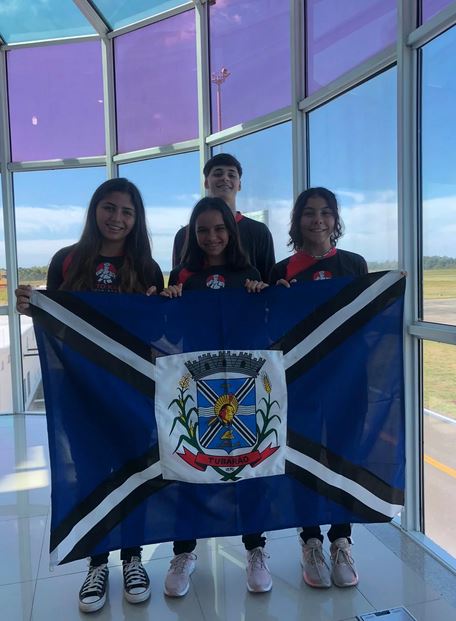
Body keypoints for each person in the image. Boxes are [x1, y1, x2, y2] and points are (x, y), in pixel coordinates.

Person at [15, 178, 164, 613]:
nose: (117, 218)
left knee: (137, 470)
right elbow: (54, 324)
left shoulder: (147, 267)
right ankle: (96, 563)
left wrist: (159, 305)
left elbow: (157, 332)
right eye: (109, 207)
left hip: (132, 387)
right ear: (95, 210)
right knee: (89, 470)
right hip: (79, 386)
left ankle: (133, 558)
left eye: (127, 212)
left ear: (137, 220)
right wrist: (31, 305)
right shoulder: (66, 260)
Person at [161, 196, 272, 597]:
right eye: (203, 230)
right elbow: (170, 336)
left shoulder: (248, 272)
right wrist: (170, 301)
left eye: (219, 228)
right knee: (190, 465)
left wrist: (262, 294)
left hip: (243, 387)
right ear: (192, 234)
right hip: (197, 387)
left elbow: (265, 328)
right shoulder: (182, 275)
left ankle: (255, 548)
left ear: (231, 231)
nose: (212, 237)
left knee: (249, 466)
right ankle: (184, 552)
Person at [270, 187, 368, 590]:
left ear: (335, 219)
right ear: (297, 221)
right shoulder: (282, 270)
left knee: (344, 458)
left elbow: (366, 319)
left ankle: (341, 540)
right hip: (302, 383)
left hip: (348, 379)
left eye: (326, 213)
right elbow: (271, 330)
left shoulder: (354, 264)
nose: (318, 220)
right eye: (309, 213)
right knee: (302, 458)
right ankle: (310, 540)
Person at [172, 153, 275, 282]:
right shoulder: (184, 235)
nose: (225, 178)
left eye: (231, 175)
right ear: (206, 183)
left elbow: (268, 283)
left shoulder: (259, 231)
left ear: (239, 185)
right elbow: (178, 283)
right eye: (218, 174)